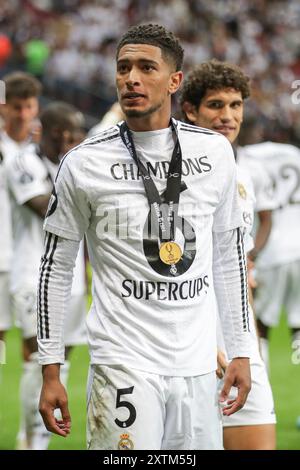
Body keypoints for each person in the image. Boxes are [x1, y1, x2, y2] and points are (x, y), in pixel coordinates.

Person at [38, 24, 251, 450]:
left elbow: (229, 255)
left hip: (196, 364)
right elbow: (55, 269)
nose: (130, 78)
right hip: (122, 362)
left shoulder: (213, 152)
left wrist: (241, 351)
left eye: (146, 67)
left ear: (174, 81)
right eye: (123, 68)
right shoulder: (84, 163)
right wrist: (50, 367)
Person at [180, 59, 276, 450]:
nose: (228, 116)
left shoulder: (242, 176)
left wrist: (247, 344)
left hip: (239, 347)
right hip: (190, 348)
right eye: (216, 105)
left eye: (235, 105)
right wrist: (204, 341)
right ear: (190, 110)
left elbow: (239, 269)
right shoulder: (176, 176)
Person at [5, 100, 87, 450]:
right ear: (50, 132)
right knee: (36, 362)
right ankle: (31, 443)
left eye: (75, 136)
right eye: (65, 135)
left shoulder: (74, 166)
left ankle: (36, 440)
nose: (70, 142)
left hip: (73, 281)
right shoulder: (21, 162)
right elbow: (43, 207)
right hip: (32, 274)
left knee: (62, 365)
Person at [0, 71, 42, 448]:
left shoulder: (40, 152)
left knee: (34, 350)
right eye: (16, 107)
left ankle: (28, 438)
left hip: (26, 264)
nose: (22, 114)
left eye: (28, 106)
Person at [239, 131, 300, 374]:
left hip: (271, 253)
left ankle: (263, 399)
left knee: (261, 327)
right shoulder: (295, 155)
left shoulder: (250, 157)